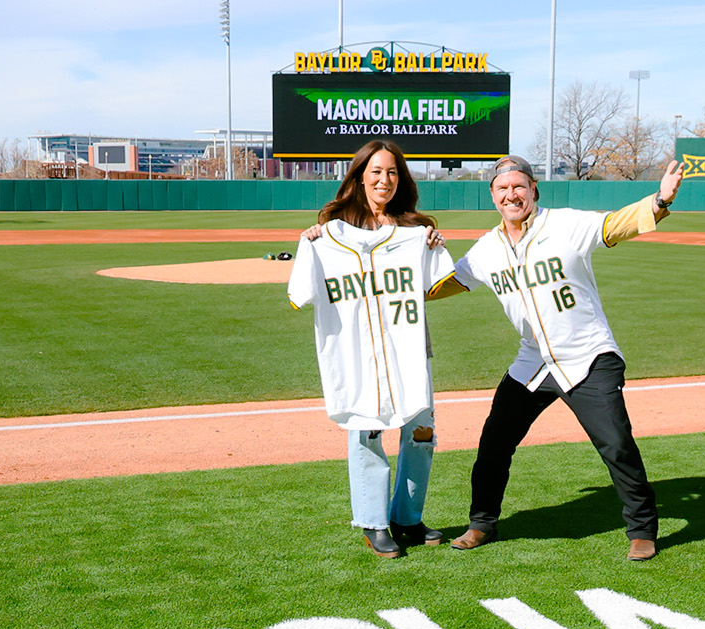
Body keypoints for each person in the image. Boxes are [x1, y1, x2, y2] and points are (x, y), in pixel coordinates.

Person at [427, 154, 681, 561]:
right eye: (503, 188)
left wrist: (659, 202)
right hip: (533, 363)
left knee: (615, 444)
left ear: (533, 190)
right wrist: (403, 276)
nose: (512, 195)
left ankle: (642, 528)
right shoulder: (486, 250)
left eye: (519, 187)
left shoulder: (564, 224)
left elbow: (614, 226)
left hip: (588, 356)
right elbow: (446, 284)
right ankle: (481, 523)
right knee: (494, 444)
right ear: (492, 196)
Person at [288, 140, 458, 557]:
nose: (385, 180)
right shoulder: (328, 232)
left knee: (421, 434)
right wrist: (310, 242)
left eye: (393, 172)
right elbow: (299, 293)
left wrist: (432, 245)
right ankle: (373, 521)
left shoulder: (414, 231)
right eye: (377, 171)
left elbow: (438, 285)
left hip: (411, 349)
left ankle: (408, 517)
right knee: (367, 431)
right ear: (360, 175)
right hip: (358, 354)